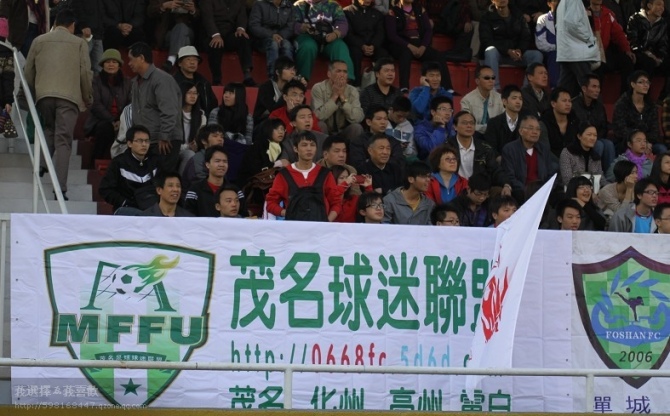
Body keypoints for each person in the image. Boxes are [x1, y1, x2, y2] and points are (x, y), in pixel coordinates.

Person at [24, 10, 93, 200]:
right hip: (68, 97)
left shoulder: (39, 41)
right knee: (63, 140)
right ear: (72, 25)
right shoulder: (79, 43)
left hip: (44, 96)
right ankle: (60, 188)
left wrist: (35, 92)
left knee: (49, 128)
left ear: (55, 24)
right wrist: (87, 97)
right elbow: (85, 74)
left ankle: (41, 165)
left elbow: (28, 71)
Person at [128, 42, 183, 172]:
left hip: (165, 141)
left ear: (141, 58)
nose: (129, 63)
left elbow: (169, 111)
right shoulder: (135, 82)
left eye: (131, 59)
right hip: (148, 140)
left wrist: (164, 136)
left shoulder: (162, 80)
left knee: (161, 179)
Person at [265, 130, 343, 221]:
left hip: (320, 227)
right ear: (295, 149)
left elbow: (336, 203)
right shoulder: (284, 174)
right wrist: (287, 213)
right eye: (304, 145)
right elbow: (271, 203)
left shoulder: (325, 174)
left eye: (312, 145)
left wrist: (327, 221)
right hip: (294, 227)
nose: (309, 149)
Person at [385, 0, 454, 93]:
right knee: (405, 54)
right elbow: (392, 35)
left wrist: (423, 46)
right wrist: (409, 46)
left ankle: (448, 88)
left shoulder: (420, 9)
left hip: (419, 44)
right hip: (402, 44)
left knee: (439, 56)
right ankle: (404, 87)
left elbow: (428, 30)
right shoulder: (392, 12)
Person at [478, 0, 543, 91]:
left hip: (516, 55)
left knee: (537, 55)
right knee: (490, 50)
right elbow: (486, 40)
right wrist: (507, 51)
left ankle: (527, 90)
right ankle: (493, 89)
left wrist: (520, 50)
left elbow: (526, 36)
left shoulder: (518, 15)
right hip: (498, 54)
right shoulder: (486, 17)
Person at [446, 111, 513, 193]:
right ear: (455, 127)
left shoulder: (485, 147)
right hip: (454, 189)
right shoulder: (447, 147)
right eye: (464, 123)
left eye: (472, 123)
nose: (469, 126)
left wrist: (506, 184)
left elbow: (495, 170)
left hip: (479, 190)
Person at [84, 49, 131, 162]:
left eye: (114, 62)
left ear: (119, 65)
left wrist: (120, 120)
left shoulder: (127, 82)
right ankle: (96, 161)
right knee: (105, 128)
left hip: (122, 121)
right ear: (102, 65)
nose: (111, 64)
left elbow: (130, 103)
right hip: (99, 121)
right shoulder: (96, 81)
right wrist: (112, 120)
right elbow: (95, 104)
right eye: (107, 62)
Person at [99, 125, 160, 214]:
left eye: (147, 141)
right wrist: (124, 202)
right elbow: (105, 189)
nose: (144, 144)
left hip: (150, 207)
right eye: (139, 141)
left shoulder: (156, 162)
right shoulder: (119, 162)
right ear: (129, 143)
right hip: (125, 209)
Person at [292, 0, 355, 82]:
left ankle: (346, 80)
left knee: (340, 46)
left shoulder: (333, 5)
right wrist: (302, 27)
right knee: (307, 46)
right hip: (308, 37)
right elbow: (291, 23)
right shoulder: (299, 5)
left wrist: (335, 34)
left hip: (329, 38)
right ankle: (301, 80)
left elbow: (342, 23)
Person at [200, 0, 257, 86]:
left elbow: (242, 16)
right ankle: (216, 80)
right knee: (215, 44)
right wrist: (215, 34)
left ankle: (247, 75)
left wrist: (240, 28)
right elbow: (207, 18)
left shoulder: (238, 1)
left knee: (243, 38)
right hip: (211, 34)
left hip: (229, 34)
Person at [501, 114, 557, 202]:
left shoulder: (544, 149)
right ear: (521, 131)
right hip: (521, 191)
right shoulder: (510, 149)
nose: (535, 132)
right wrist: (529, 191)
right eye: (531, 128)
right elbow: (510, 177)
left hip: (542, 192)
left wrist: (544, 190)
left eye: (538, 129)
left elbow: (551, 173)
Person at [587, 0, 635, 94]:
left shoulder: (608, 13)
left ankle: (625, 96)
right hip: (591, 54)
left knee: (627, 62)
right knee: (598, 68)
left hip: (605, 52)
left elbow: (618, 34)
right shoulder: (584, 13)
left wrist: (627, 50)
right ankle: (596, 98)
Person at [612, 71, 664, 155]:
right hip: (626, 142)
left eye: (647, 82)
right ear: (633, 84)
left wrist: (645, 142)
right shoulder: (622, 104)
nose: (645, 85)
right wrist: (638, 142)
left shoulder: (651, 106)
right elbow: (620, 129)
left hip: (647, 142)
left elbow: (655, 131)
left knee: (661, 149)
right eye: (641, 82)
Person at [571, 73, 615, 171]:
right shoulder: (573, 105)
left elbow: (604, 126)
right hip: (579, 139)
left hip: (596, 137)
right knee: (599, 145)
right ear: (584, 88)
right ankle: (591, 173)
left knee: (609, 144)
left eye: (598, 87)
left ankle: (610, 175)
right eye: (594, 87)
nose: (597, 90)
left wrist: (595, 137)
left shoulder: (599, 106)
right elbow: (574, 128)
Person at [311, 60, 365, 140]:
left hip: (344, 131)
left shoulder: (353, 90)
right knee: (320, 125)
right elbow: (318, 116)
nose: (342, 74)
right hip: (326, 130)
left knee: (356, 127)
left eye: (345, 72)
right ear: (329, 74)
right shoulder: (318, 88)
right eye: (338, 71)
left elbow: (357, 118)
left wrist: (343, 97)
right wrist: (335, 96)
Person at [185, 145, 244, 217]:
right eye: (217, 161)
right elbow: (188, 217)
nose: (221, 165)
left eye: (225, 161)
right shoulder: (195, 191)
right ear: (207, 164)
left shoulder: (236, 191)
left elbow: (244, 217)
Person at [343, 0, 389, 87]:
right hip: (357, 45)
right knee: (355, 53)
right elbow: (348, 34)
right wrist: (362, 45)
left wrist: (373, 45)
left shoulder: (377, 14)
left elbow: (380, 33)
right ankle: (356, 84)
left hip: (373, 45)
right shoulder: (347, 12)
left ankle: (379, 86)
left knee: (383, 54)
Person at [147, 0, 198, 73]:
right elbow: (150, 12)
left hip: (188, 33)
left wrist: (193, 10)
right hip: (167, 36)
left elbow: (202, 17)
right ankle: (180, 67)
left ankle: (171, 60)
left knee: (181, 27)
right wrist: (164, 6)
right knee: (184, 38)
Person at [248, 0, 295, 79]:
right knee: (273, 44)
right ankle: (273, 78)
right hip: (262, 39)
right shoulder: (259, 4)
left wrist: (280, 36)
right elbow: (254, 26)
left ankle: (289, 78)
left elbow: (290, 26)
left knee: (287, 45)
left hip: (282, 38)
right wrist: (271, 35)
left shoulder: (289, 6)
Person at [626, 0, 669, 86]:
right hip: (638, 52)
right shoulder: (635, 19)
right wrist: (648, 54)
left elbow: (663, 44)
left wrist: (660, 58)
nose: (662, 8)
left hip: (655, 55)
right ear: (649, 5)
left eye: (663, 6)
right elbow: (633, 42)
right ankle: (644, 91)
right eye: (659, 5)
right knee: (648, 62)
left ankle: (665, 93)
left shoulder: (662, 23)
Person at [349, 105, 405, 170]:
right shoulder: (358, 142)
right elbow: (358, 165)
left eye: (385, 119)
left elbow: (400, 163)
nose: (383, 122)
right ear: (369, 122)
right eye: (379, 119)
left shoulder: (393, 141)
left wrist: (374, 161)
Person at [254, 57, 301, 124]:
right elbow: (273, 110)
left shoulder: (291, 87)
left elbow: (300, 105)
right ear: (278, 72)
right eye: (288, 69)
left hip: (284, 122)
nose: (292, 72)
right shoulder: (266, 87)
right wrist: (286, 94)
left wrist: (299, 86)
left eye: (294, 70)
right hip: (264, 123)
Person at [173, 46, 218, 117]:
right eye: (188, 59)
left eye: (195, 60)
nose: (192, 62)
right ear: (179, 63)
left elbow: (213, 105)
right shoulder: (172, 82)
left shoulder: (204, 83)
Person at [559, 121, 606, 187]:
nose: (593, 138)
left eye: (595, 135)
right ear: (579, 136)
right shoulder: (567, 153)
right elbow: (567, 179)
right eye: (589, 135)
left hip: (593, 191)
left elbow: (601, 179)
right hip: (572, 191)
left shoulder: (595, 157)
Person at [460, 65, 504, 135]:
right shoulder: (467, 100)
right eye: (487, 78)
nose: (491, 81)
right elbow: (467, 125)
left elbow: (504, 122)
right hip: (474, 135)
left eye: (493, 78)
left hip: (496, 135)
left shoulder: (500, 98)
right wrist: (488, 128)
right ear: (477, 81)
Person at [182, 124, 225, 191]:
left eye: (222, 137)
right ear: (204, 141)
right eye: (215, 136)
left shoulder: (222, 158)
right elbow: (199, 184)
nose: (220, 139)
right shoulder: (197, 159)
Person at [485, 84, 524, 155]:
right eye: (514, 98)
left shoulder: (525, 123)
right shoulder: (494, 123)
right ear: (504, 101)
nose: (518, 102)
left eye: (520, 99)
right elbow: (491, 149)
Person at [541, 87, 579, 158]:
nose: (568, 104)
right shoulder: (544, 122)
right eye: (564, 101)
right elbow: (545, 150)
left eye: (569, 101)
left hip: (572, 159)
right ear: (553, 104)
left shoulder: (574, 119)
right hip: (552, 160)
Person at [178, 80, 206, 174]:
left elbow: (200, 138)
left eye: (195, 93)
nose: (193, 96)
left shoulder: (201, 116)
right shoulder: (174, 113)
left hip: (190, 150)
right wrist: (187, 147)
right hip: (174, 148)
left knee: (191, 154)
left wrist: (196, 145)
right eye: (189, 93)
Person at [414, 96, 454, 161]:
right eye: (443, 109)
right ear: (433, 112)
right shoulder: (420, 129)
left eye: (450, 110)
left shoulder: (451, 125)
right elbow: (433, 149)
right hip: (428, 163)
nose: (448, 113)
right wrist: (441, 127)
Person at [72, 0, 104, 73]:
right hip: (83, 33)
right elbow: (75, 8)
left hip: (98, 34)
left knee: (99, 68)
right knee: (82, 65)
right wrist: (83, 25)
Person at [535, 0, 559, 87]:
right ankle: (554, 88)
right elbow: (540, 44)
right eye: (555, 1)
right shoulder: (543, 19)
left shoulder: (568, 19)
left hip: (566, 51)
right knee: (555, 54)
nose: (558, 3)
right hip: (549, 53)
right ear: (549, 4)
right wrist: (557, 48)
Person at [387, 96, 417, 161]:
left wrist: (406, 148)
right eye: (399, 116)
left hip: (400, 159)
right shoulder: (381, 121)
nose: (402, 119)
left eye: (405, 117)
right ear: (391, 110)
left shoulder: (409, 127)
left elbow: (412, 153)